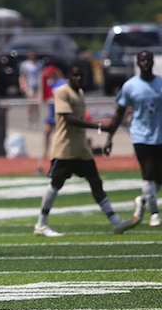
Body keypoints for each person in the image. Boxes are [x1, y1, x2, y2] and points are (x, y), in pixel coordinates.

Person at [33, 63, 139, 237]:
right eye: (74, 75)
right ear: (68, 76)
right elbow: (70, 119)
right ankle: (41, 224)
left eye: (81, 75)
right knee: (55, 184)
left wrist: (106, 132)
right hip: (65, 148)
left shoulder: (80, 93)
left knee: (96, 182)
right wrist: (100, 127)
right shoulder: (62, 92)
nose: (78, 79)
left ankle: (115, 221)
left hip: (81, 149)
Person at [103, 50, 162, 228]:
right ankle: (154, 214)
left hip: (159, 135)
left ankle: (141, 200)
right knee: (148, 172)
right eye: (142, 60)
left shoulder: (160, 83)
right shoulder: (130, 86)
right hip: (140, 135)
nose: (145, 63)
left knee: (159, 178)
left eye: (148, 60)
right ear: (138, 63)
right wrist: (109, 138)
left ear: (152, 62)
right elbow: (119, 113)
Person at [37, 65, 66, 175]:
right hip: (51, 113)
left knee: (59, 135)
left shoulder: (62, 83)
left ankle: (59, 152)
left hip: (59, 113)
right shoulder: (49, 83)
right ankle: (45, 151)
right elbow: (45, 93)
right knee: (47, 131)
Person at [19, 50, 42, 128]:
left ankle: (37, 119)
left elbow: (42, 75)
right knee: (30, 102)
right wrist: (22, 85)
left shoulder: (39, 64)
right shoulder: (25, 64)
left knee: (37, 103)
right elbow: (22, 75)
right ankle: (30, 118)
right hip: (29, 85)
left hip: (38, 85)